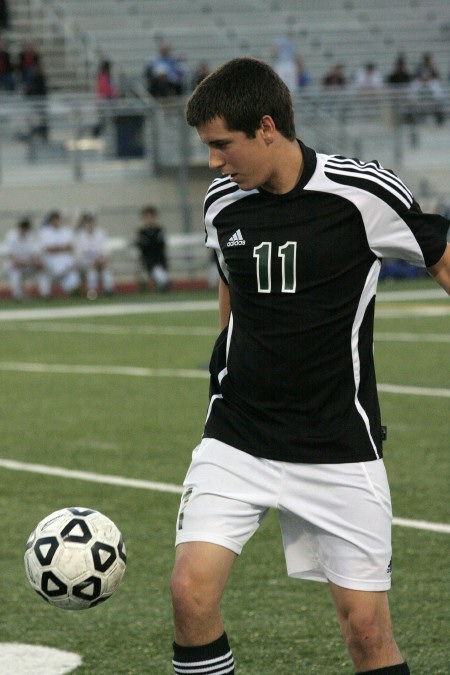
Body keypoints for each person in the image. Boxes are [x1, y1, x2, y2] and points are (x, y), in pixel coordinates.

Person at [170, 57, 450, 675]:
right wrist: (227, 354)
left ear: (267, 126)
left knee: (366, 631)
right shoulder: (224, 202)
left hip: (337, 441)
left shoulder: (361, 193)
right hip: (238, 434)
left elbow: (441, 257)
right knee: (190, 594)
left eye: (223, 145)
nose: (213, 162)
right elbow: (231, 275)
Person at [38, 210, 81, 298]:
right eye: (54, 220)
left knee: (72, 272)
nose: (56, 222)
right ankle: (45, 295)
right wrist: (62, 248)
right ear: (51, 221)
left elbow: (71, 246)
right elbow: (48, 249)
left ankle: (71, 293)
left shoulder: (66, 231)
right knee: (44, 271)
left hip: (65, 258)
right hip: (50, 259)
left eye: (57, 219)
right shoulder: (44, 232)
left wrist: (57, 248)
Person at [75, 212, 114, 298]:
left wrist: (102, 259)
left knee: (105, 268)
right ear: (84, 223)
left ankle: (109, 290)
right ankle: (92, 292)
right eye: (87, 222)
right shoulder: (80, 235)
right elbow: (79, 254)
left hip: (100, 260)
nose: (89, 224)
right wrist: (92, 261)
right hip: (85, 261)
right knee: (91, 269)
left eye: (90, 221)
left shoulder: (101, 233)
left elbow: (105, 249)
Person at [3, 217, 43, 300]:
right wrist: (16, 261)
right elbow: (8, 253)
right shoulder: (11, 236)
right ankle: (18, 296)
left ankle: (45, 294)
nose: (25, 231)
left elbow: (34, 253)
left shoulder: (31, 236)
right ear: (20, 228)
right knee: (15, 272)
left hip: (28, 264)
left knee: (42, 270)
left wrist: (36, 262)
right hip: (13, 265)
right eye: (23, 228)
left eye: (26, 229)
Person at [134, 206, 170, 292]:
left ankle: (161, 285)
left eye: (151, 217)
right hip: (148, 260)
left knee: (160, 273)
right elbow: (141, 246)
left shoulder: (159, 230)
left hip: (159, 259)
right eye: (147, 217)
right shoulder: (142, 232)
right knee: (158, 274)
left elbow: (161, 245)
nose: (149, 219)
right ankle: (160, 284)